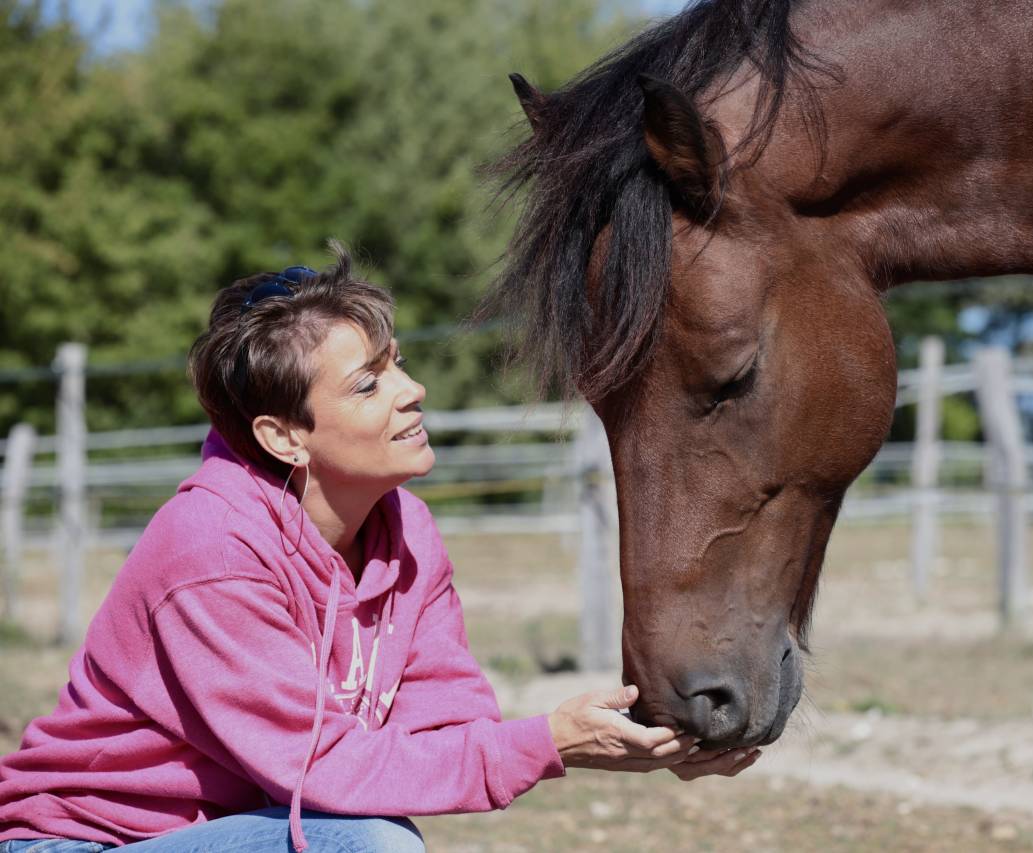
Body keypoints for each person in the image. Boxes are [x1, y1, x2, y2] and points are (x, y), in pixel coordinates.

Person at [0, 245, 761, 852]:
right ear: (283, 436)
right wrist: (551, 743)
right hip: (85, 841)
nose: (412, 389)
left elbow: (443, 726)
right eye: (368, 385)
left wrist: (643, 733)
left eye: (394, 361)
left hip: (236, 831)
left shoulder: (406, 533)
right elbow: (322, 770)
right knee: (366, 843)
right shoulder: (213, 548)